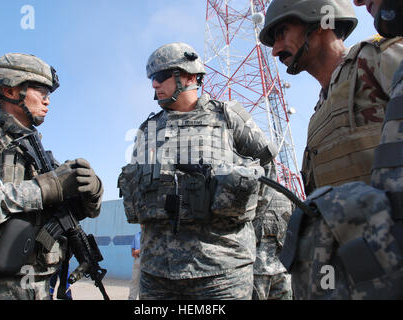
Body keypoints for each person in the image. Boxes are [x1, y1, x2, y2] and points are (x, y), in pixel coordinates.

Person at [118, 42, 290, 300]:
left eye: (160, 76)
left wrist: (238, 218)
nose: (154, 85)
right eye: (151, 79)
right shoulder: (148, 130)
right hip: (157, 274)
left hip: (222, 274)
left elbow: (267, 175)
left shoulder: (228, 117)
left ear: (188, 76)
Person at [260, 0, 403, 299]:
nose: (275, 50)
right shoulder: (318, 114)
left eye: (283, 32)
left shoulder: (376, 58)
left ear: (318, 20)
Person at [0, 53, 104, 300]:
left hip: (40, 289)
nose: (48, 102)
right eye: (41, 91)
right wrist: (40, 190)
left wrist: (93, 192)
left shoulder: (41, 156)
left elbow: (71, 212)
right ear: (11, 90)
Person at [128, 225, 142, 300]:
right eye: (141, 223)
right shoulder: (137, 235)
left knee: (147, 281)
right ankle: (131, 298)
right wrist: (134, 252)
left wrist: (138, 250)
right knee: (134, 280)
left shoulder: (150, 235)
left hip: (147, 261)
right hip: (137, 260)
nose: (142, 225)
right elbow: (133, 249)